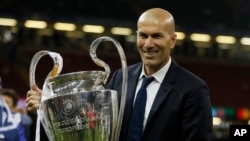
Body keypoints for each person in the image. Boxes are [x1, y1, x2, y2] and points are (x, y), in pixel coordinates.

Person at [26, 8, 212, 141]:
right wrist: (50, 106)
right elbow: (90, 124)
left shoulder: (193, 89)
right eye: (143, 35)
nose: (148, 44)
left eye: (157, 36)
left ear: (172, 41)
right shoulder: (120, 78)